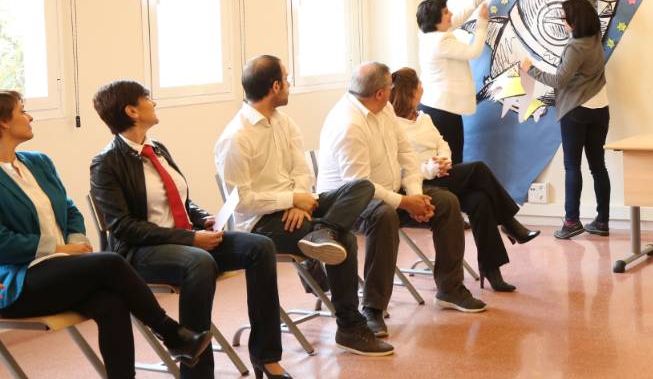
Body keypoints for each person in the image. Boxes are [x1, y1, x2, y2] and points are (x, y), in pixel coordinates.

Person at [0, 90, 211, 379]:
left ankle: (166, 345)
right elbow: (3, 243)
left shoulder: (38, 162)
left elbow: (70, 210)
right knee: (110, 262)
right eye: (23, 111)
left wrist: (76, 241)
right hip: (17, 280)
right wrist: (60, 249)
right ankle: (171, 333)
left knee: (112, 303)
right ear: (3, 122)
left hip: (61, 269)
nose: (30, 117)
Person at [89, 81, 292, 379]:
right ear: (132, 111)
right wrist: (191, 238)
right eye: (147, 98)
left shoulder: (157, 148)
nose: (154, 103)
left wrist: (202, 218)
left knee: (260, 246)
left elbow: (181, 200)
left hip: (184, 241)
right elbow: (123, 227)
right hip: (140, 252)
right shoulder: (105, 163)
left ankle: (266, 355)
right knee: (200, 261)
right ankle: (196, 372)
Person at [214, 55, 393, 357]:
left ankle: (323, 230)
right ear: (275, 86)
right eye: (286, 79)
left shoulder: (284, 122)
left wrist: (300, 202)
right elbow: (241, 201)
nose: (289, 84)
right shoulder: (236, 137)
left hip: (301, 209)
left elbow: (302, 172)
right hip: (262, 224)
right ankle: (349, 327)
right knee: (345, 239)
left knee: (362, 186)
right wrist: (291, 200)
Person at [317, 62, 487, 338]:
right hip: (348, 204)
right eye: (389, 87)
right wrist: (406, 203)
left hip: (389, 191)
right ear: (380, 93)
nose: (392, 91)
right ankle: (373, 309)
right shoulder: (349, 124)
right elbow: (360, 186)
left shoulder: (383, 109)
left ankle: (450, 289)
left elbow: (406, 154)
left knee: (446, 202)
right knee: (383, 216)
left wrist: (416, 196)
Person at [389, 68, 541, 291]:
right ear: (410, 92)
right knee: (478, 169)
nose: (423, 87)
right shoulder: (392, 126)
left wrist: (444, 161)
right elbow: (400, 169)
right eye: (419, 84)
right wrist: (430, 169)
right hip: (417, 185)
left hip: (441, 174)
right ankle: (509, 222)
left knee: (480, 200)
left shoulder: (424, 118)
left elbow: (442, 144)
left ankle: (491, 269)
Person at [520, 0, 611, 240]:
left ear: (574, 23)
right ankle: (602, 221)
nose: (564, 21)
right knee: (598, 166)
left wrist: (530, 69)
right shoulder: (594, 31)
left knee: (573, 166)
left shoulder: (575, 48)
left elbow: (559, 80)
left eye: (565, 19)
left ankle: (572, 222)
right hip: (600, 108)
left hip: (576, 110)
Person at [416, 0, 499, 164]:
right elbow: (473, 51)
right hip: (442, 110)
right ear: (436, 20)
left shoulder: (428, 33)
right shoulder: (441, 41)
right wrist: (482, 24)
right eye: (446, 12)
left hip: (433, 105)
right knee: (451, 160)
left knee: (441, 161)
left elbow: (457, 19)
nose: (451, 14)